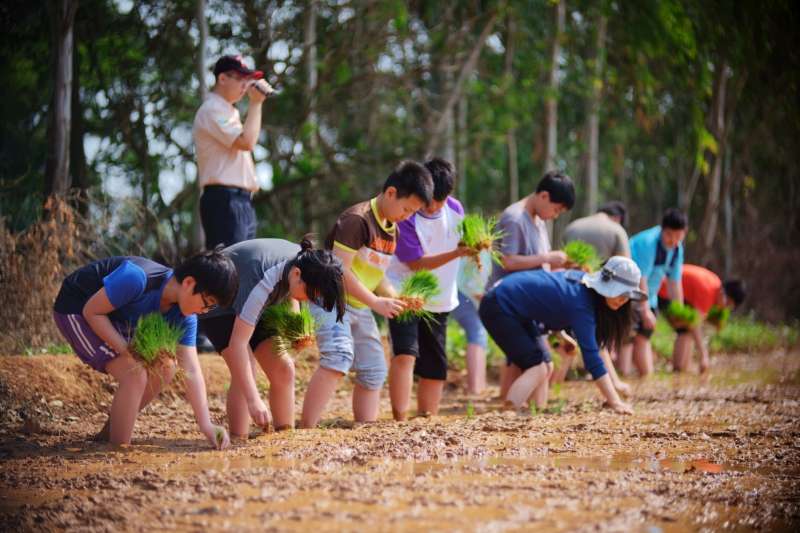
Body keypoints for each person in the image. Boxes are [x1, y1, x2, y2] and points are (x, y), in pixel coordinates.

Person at [52, 250, 239, 448]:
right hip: (77, 310)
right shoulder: (137, 278)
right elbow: (92, 311)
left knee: (166, 366)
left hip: (111, 319)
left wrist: (206, 424)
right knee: (135, 373)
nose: (204, 311)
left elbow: (191, 370)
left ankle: (112, 431)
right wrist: (126, 350)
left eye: (210, 308)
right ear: (189, 283)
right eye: (206, 303)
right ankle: (118, 449)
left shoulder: (186, 317)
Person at [300, 161, 433, 428]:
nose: (407, 217)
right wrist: (375, 301)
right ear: (392, 192)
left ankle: (366, 430)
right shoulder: (357, 220)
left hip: (360, 305)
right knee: (338, 358)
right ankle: (306, 428)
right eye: (407, 209)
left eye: (413, 213)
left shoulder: (392, 230)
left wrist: (394, 296)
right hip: (331, 301)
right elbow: (338, 271)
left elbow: (376, 272)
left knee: (374, 371)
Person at [198, 238, 345, 437]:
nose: (309, 300)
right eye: (310, 294)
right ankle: (237, 442)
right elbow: (238, 345)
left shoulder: (305, 261)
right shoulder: (264, 277)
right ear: (297, 275)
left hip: (253, 303)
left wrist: (295, 326)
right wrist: (254, 401)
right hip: (217, 303)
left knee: (284, 369)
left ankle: (285, 436)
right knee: (245, 370)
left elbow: (291, 292)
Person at [479, 256, 643, 415]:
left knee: (546, 365)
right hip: (499, 305)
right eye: (619, 292)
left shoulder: (584, 289)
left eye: (627, 295)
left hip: (511, 305)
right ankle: (509, 413)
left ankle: (533, 414)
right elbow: (592, 358)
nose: (623, 300)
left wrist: (560, 334)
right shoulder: (582, 303)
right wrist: (614, 402)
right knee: (537, 366)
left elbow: (550, 303)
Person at [386, 158, 475, 420]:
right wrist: (456, 253)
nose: (435, 206)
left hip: (440, 299)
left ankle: (428, 418)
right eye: (431, 199)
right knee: (405, 354)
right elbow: (415, 263)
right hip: (404, 293)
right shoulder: (407, 216)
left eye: (441, 200)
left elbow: (465, 237)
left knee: (436, 366)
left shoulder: (455, 209)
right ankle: (399, 421)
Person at [488, 171, 576, 399]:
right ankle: (521, 413)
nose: (555, 216)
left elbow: (535, 263)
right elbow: (507, 260)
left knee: (522, 362)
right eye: (556, 209)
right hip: (509, 301)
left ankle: (513, 409)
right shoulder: (514, 218)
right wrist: (547, 258)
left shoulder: (537, 219)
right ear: (544, 196)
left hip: (527, 302)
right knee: (539, 362)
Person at [193, 55, 274, 249]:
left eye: (248, 80)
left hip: (240, 200)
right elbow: (246, 142)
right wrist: (256, 103)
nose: (245, 85)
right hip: (224, 200)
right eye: (240, 79)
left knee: (242, 268)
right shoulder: (212, 109)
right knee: (229, 268)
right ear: (222, 79)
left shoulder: (229, 111)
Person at [559, 200, 631, 395]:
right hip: (598, 292)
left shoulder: (573, 226)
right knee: (597, 339)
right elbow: (626, 268)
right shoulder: (616, 230)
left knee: (565, 339)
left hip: (567, 288)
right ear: (617, 218)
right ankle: (613, 383)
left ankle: (555, 383)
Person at [620, 208, 688, 377]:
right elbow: (640, 278)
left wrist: (678, 311)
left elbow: (674, 282)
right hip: (627, 295)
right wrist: (644, 311)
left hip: (650, 298)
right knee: (626, 339)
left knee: (644, 337)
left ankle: (643, 379)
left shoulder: (677, 249)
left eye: (679, 237)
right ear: (662, 230)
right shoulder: (648, 243)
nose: (673, 241)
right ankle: (623, 375)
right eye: (670, 236)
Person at [658, 264, 746, 373]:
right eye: (727, 303)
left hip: (673, 287)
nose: (724, 307)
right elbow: (694, 325)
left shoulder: (715, 285)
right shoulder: (707, 292)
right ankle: (678, 370)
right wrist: (704, 356)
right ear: (723, 294)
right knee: (685, 331)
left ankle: (683, 369)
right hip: (663, 288)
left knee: (686, 331)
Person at [451, 249, 493, 395]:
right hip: (465, 291)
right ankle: (475, 388)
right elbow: (473, 273)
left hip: (465, 290)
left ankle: (479, 386)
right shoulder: (473, 242)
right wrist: (479, 290)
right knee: (477, 333)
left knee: (479, 334)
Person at [562, 200, 630, 260]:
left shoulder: (572, 226)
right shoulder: (617, 229)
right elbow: (625, 264)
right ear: (618, 218)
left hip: (570, 273)